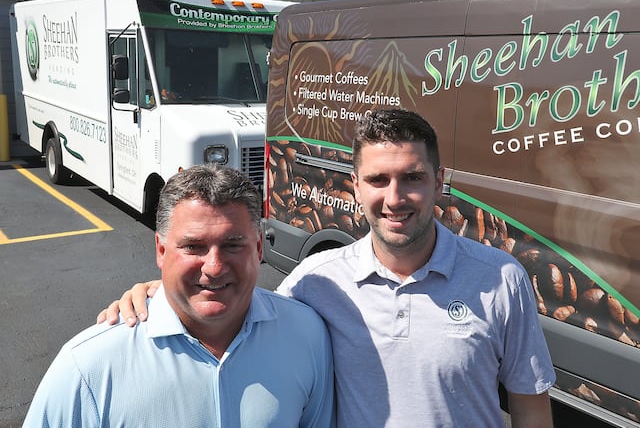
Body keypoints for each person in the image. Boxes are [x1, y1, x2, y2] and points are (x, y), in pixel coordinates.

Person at [99, 110, 555, 427]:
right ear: (355, 187)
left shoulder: (500, 278)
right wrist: (164, 290)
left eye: (412, 177)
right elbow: (237, 304)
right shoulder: (318, 280)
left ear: (438, 182)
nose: (394, 198)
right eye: (378, 179)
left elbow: (531, 408)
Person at [28, 164, 334, 427]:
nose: (214, 267)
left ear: (258, 249)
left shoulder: (307, 334)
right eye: (193, 247)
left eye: (232, 245)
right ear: (161, 251)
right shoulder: (88, 366)